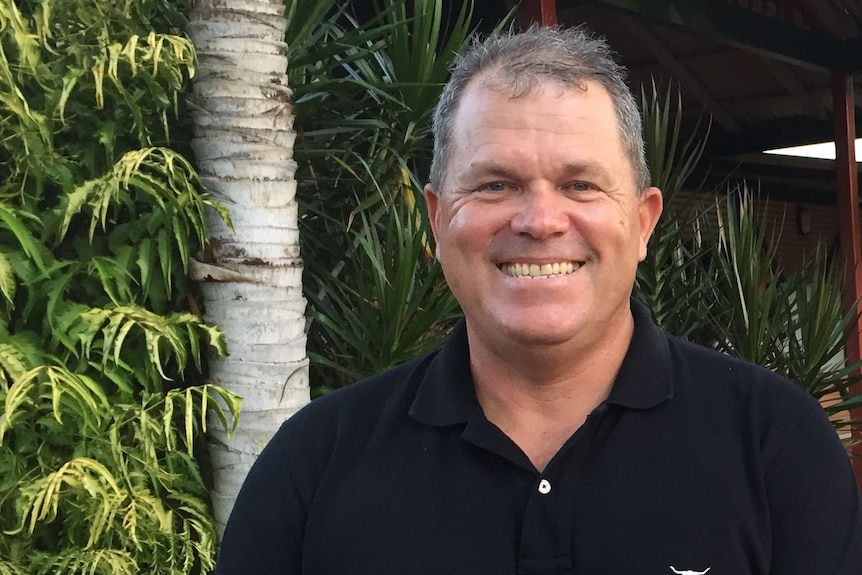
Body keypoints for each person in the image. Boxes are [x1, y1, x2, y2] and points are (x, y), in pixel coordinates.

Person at [214, 26, 861, 575]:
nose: (541, 219)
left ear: (642, 222)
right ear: (437, 221)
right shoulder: (313, 463)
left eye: (580, 183)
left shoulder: (777, 448)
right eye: (496, 183)